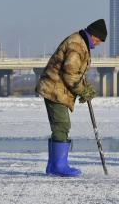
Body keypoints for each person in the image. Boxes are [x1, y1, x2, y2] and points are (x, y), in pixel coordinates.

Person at [36, 19, 106, 176]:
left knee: (61, 126)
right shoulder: (77, 45)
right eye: (99, 40)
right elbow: (70, 73)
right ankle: (58, 166)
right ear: (93, 35)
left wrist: (82, 88)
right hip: (54, 89)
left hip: (59, 90)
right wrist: (82, 91)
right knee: (62, 125)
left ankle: (54, 166)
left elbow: (75, 73)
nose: (99, 43)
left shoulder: (81, 43)